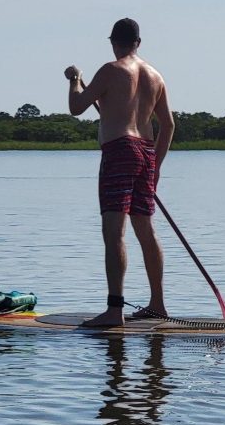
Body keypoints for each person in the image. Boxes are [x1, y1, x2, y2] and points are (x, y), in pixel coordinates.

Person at [64, 18, 175, 326]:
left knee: (114, 233)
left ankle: (115, 310)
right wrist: (157, 166)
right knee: (146, 230)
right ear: (138, 42)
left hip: (119, 151)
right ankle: (157, 304)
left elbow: (76, 107)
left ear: (114, 42)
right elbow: (168, 126)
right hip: (145, 152)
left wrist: (75, 78)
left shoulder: (111, 70)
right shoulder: (155, 76)